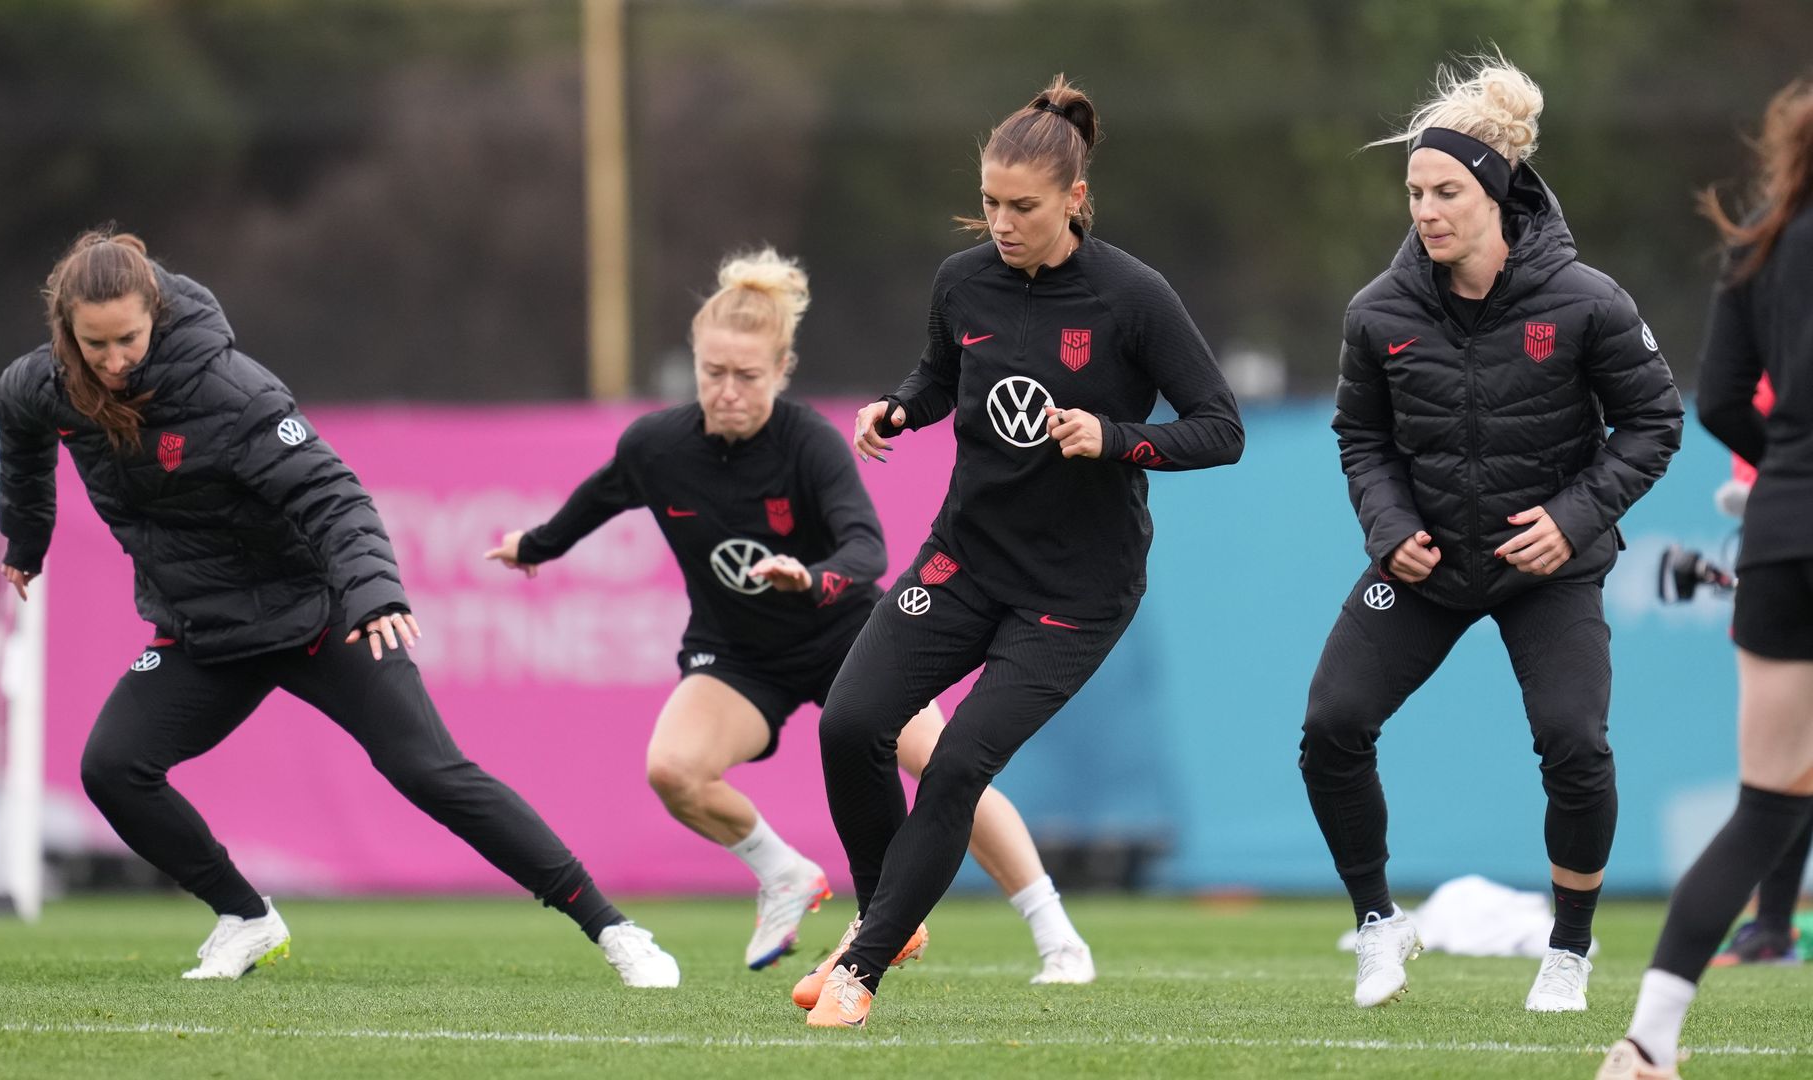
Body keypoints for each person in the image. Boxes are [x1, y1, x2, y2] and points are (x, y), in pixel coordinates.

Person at [0, 229, 679, 988]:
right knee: (113, 767)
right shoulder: (50, 384)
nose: (115, 360)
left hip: (315, 615)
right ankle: (246, 917)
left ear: (154, 313)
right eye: (96, 345)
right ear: (67, 333)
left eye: (128, 339)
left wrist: (374, 592)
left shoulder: (232, 391)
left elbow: (334, 495)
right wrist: (28, 537)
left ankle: (614, 929)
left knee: (429, 771)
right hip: (206, 629)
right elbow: (16, 424)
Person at [482, 247, 1097, 982]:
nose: (729, 391)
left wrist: (811, 576)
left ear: (781, 370)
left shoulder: (807, 444)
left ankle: (1058, 937)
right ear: (695, 365)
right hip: (739, 654)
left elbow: (867, 548)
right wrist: (536, 546)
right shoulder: (657, 446)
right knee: (673, 770)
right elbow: (601, 496)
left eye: (748, 376)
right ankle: (784, 874)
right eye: (714, 373)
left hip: (846, 638)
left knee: (945, 767)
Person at [798, 75, 1245, 1028]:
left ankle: (860, 970)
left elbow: (1220, 427)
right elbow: (939, 371)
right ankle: (890, 917)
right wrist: (900, 410)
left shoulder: (1134, 297)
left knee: (957, 764)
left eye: (1023, 207)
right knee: (848, 724)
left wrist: (1119, 438)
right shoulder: (962, 281)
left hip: (1077, 594)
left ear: (1075, 201)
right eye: (992, 203)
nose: (1002, 223)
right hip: (964, 561)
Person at [1295, 55, 1683, 1013]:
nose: (1426, 211)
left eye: (1448, 192)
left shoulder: (1588, 299)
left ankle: (1571, 953)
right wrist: (1390, 530)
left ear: (1498, 194)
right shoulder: (1377, 312)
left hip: (1545, 568)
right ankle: (1380, 927)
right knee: (1330, 728)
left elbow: (1654, 422)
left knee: (1575, 745)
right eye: (1416, 192)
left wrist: (1574, 520)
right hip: (1423, 567)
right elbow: (1362, 438)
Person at [1601, 78, 1813, 1079]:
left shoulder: (1759, 245)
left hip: (1781, 534)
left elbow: (1722, 399)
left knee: (1766, 807)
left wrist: (1791, 469)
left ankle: (1647, 1044)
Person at [1706, 376, 1813, 970]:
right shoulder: (1765, 370)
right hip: (1785, 565)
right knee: (1789, 767)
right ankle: (1772, 925)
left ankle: (1772, 926)